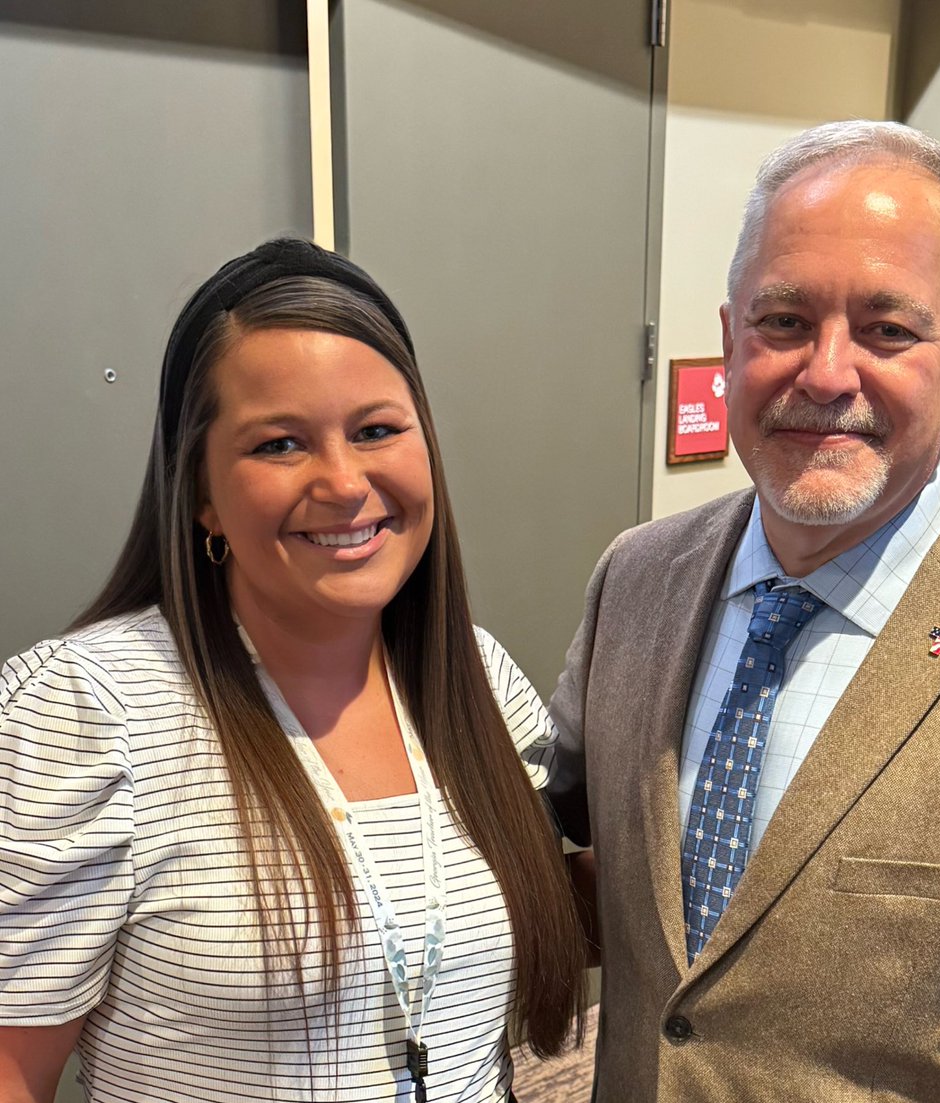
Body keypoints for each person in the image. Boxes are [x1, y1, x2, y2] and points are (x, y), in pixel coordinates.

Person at [548, 121, 940, 1102]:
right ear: (728, 342)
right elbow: (549, 863)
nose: (826, 372)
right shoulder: (635, 579)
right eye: (784, 321)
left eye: (889, 330)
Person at [0, 239, 586, 1102]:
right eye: (280, 444)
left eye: (378, 430)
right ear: (200, 491)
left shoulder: (480, 676)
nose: (345, 483)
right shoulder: (86, 710)